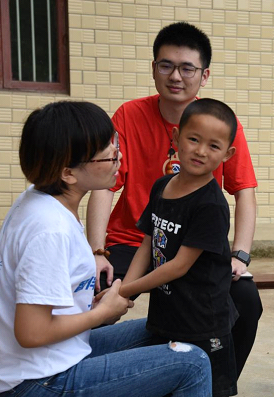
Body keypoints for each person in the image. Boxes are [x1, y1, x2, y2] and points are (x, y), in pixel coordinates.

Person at [86, 21, 262, 377]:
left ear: (204, 75)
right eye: (166, 65)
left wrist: (240, 255)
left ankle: (212, 383)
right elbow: (105, 186)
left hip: (195, 248)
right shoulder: (129, 115)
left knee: (245, 302)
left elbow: (244, 190)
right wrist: (95, 251)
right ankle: (87, 380)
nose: (176, 76)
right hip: (132, 240)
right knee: (93, 294)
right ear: (154, 68)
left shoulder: (221, 123)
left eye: (187, 68)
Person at [0, 101, 211, 397]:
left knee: (170, 329)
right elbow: (31, 332)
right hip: (37, 380)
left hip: (57, 354)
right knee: (192, 362)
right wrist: (101, 314)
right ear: (68, 173)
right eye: (108, 154)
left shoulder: (40, 199)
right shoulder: (49, 229)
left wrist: (93, 304)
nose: (118, 156)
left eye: (115, 145)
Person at [109, 98, 239, 397]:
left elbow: (179, 266)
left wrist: (123, 291)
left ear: (227, 154)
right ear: (176, 137)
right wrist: (122, 291)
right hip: (167, 313)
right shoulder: (161, 186)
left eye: (213, 146)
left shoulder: (211, 204)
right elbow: (148, 243)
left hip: (203, 322)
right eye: (193, 139)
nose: (201, 151)